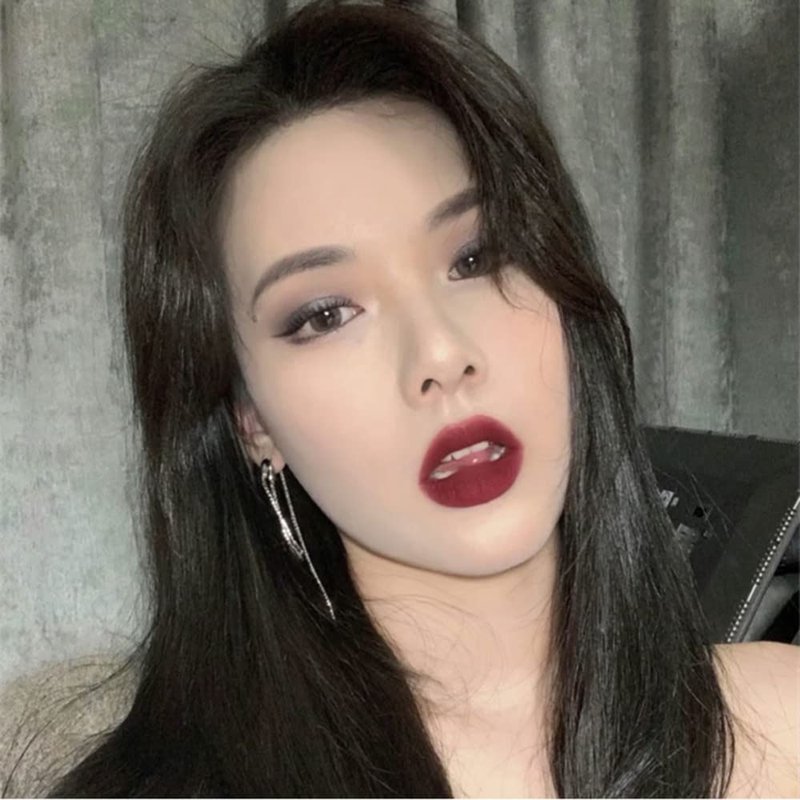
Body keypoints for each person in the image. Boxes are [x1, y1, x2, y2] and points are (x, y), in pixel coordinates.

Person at [1, 1, 797, 796]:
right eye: (325, 315)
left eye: (477, 256)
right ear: (251, 421)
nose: (440, 355)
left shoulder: (779, 724)